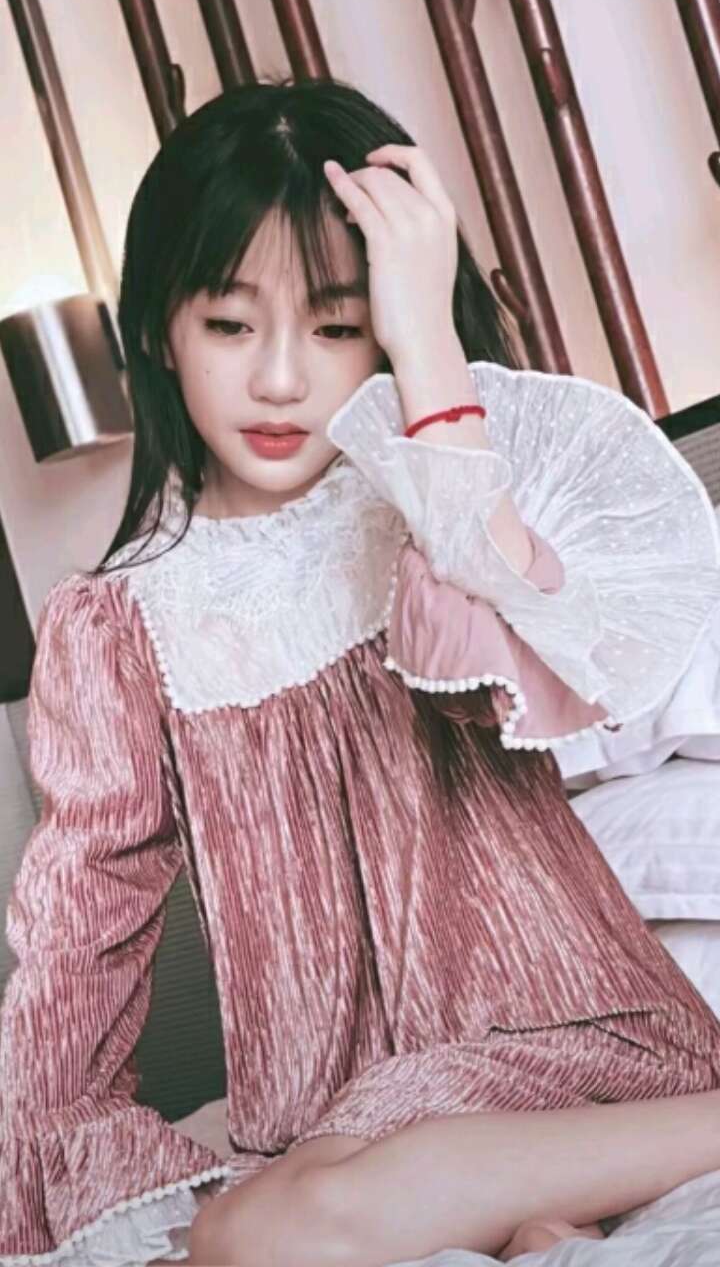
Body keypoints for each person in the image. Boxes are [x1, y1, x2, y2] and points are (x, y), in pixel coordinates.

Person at [2, 75, 720, 1267]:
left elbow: (518, 607)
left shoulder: (430, 517)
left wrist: (427, 334)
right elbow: (83, 934)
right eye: (231, 325)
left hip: (569, 1036)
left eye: (337, 326)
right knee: (245, 1218)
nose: (281, 379)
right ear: (161, 330)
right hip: (332, 1110)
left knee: (261, 1233)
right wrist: (41, 1188)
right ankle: (540, 1219)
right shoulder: (116, 624)